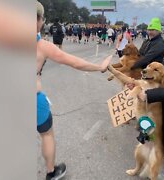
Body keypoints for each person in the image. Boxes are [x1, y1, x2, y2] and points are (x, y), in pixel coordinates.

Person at [37, 2, 112, 180]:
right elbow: (75, 62)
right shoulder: (42, 46)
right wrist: (100, 66)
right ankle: (50, 172)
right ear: (38, 20)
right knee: (47, 134)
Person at [129, 23, 164, 180]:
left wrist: (149, 95)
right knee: (148, 140)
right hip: (162, 109)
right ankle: (154, 173)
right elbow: (158, 77)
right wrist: (140, 83)